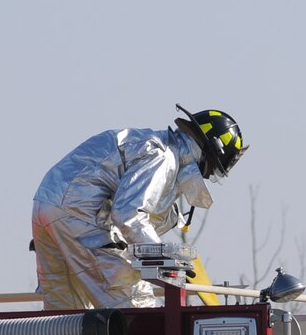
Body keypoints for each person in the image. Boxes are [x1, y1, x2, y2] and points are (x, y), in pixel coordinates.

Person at [31, 107, 247, 309]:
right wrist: (165, 260)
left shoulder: (151, 144)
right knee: (134, 301)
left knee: (64, 317)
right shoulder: (163, 157)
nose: (207, 176)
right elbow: (129, 214)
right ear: (206, 153)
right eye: (211, 170)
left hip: (46, 206)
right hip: (79, 212)